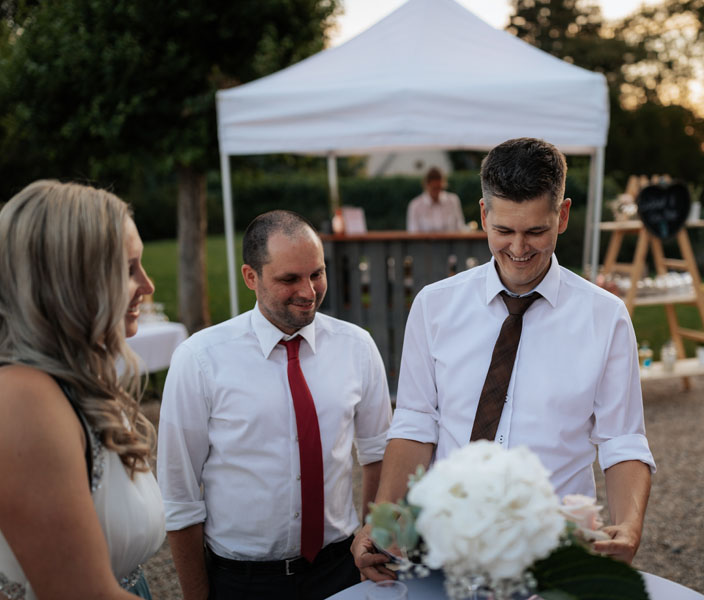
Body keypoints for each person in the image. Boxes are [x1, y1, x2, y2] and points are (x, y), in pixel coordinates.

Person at [353, 137, 655, 579]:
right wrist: (382, 521)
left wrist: (628, 526)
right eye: (504, 231)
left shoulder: (605, 318)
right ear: (483, 215)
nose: (518, 248)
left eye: (535, 231)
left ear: (563, 215)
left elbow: (621, 439)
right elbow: (416, 422)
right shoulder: (434, 307)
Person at [158, 210, 392, 600]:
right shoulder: (200, 359)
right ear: (251, 277)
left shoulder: (357, 347)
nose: (308, 290)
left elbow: (379, 454)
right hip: (243, 581)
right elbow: (179, 497)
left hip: (340, 569)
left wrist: (373, 542)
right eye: (289, 279)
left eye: (316, 273)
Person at [0, 180, 164, 599]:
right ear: (71, 279)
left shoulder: (82, 379)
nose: (148, 286)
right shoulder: (22, 398)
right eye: (129, 269)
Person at [406, 166, 466, 232]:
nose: (436, 192)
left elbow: (460, 227)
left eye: (439, 188)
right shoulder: (415, 205)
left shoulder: (453, 200)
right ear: (426, 185)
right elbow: (413, 233)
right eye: (434, 188)